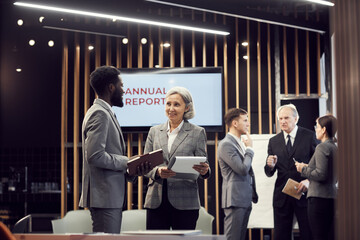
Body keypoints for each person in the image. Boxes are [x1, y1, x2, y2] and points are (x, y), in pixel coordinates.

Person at [79, 66, 151, 233]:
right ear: (111, 87)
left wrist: (132, 170)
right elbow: (95, 156)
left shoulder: (104, 112)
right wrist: (128, 161)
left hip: (108, 198)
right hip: (104, 198)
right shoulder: (100, 113)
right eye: (121, 85)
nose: (124, 90)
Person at [143, 86, 211, 230]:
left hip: (186, 201)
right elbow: (145, 164)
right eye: (168, 104)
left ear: (187, 108)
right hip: (156, 200)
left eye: (176, 104)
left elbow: (203, 165)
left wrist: (205, 170)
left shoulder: (197, 132)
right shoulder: (154, 131)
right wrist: (157, 172)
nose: (171, 108)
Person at [264, 104, 317, 240]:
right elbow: (269, 172)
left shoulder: (309, 136)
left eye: (286, 118)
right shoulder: (273, 141)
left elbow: (319, 165)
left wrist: (309, 181)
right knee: (281, 235)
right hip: (282, 196)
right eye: (280, 118)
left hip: (304, 193)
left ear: (296, 118)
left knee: (308, 233)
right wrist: (270, 165)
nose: (283, 121)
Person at [295, 115, 337, 240]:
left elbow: (321, 174)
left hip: (318, 199)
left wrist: (303, 169)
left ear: (323, 129)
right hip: (331, 197)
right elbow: (330, 173)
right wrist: (308, 166)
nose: (315, 130)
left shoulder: (322, 147)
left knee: (318, 235)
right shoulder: (334, 147)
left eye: (317, 127)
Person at [218, 108, 258, 240]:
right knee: (233, 237)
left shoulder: (239, 142)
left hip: (244, 199)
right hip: (234, 199)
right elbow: (242, 169)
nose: (248, 123)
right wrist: (250, 149)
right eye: (245, 120)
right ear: (235, 123)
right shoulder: (226, 144)